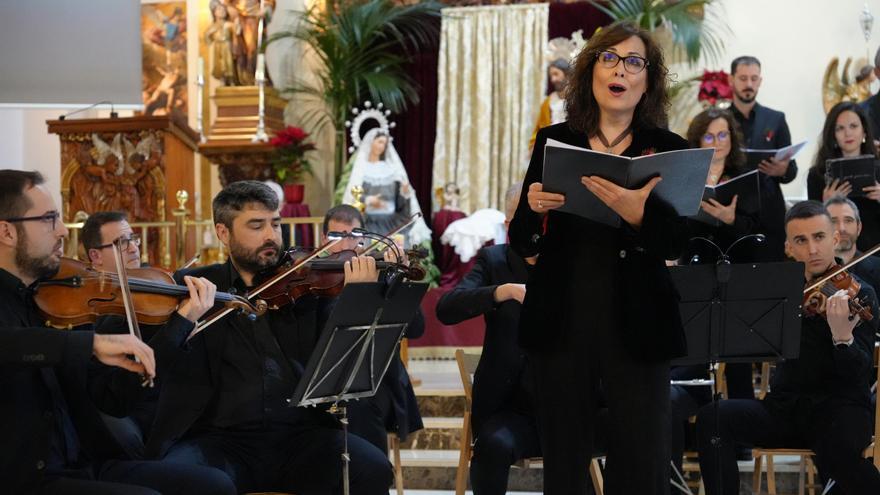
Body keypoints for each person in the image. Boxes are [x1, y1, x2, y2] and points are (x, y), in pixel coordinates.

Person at [509, 23, 690, 494]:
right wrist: (531, 210)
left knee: (641, 459)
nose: (621, 70)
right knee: (565, 462)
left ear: (647, 81)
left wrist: (639, 215)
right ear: (589, 71)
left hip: (640, 324)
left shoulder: (668, 148)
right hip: (563, 322)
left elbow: (676, 244)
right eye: (609, 58)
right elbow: (523, 243)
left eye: (634, 62)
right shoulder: (555, 139)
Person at [0, 170, 235, 495]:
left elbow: (113, 400)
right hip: (26, 478)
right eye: (49, 219)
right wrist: (91, 342)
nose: (61, 232)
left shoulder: (51, 301)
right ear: (7, 231)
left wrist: (179, 325)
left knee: (215, 485)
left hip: (85, 465)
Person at [152, 181, 393, 494]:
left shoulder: (308, 285)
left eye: (275, 224)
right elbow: (155, 364)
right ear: (223, 233)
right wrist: (184, 319)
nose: (271, 235)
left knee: (372, 469)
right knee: (185, 481)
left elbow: (342, 358)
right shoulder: (196, 287)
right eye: (256, 225)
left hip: (299, 438)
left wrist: (359, 300)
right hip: (219, 441)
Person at [696, 200, 880, 495]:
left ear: (834, 237)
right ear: (788, 247)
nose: (812, 250)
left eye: (819, 237)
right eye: (801, 240)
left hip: (839, 408)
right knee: (713, 418)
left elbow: (858, 376)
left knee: (841, 451)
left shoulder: (860, 293)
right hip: (786, 408)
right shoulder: (781, 292)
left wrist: (842, 338)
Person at [436, 182, 542, 495]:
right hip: (509, 410)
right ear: (508, 225)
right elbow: (446, 308)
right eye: (522, 219)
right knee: (493, 447)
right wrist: (502, 291)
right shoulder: (494, 260)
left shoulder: (569, 265)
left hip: (564, 404)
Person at [319, 204, 425, 455]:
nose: (347, 245)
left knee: (360, 405)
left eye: (354, 236)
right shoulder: (315, 281)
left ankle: (373, 477)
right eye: (337, 236)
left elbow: (417, 328)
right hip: (326, 383)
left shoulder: (383, 274)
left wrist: (400, 278)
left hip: (377, 382)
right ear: (323, 239)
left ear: (365, 238)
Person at [729, 56, 798, 261]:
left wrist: (782, 170)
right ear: (731, 80)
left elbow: (792, 168)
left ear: (760, 81)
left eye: (753, 78)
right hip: (734, 209)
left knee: (772, 275)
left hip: (770, 211)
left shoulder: (776, 119)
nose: (748, 84)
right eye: (743, 78)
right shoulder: (720, 120)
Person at [807, 101, 880, 251]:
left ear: (864, 131)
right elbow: (812, 228)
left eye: (853, 126)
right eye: (840, 128)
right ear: (833, 135)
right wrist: (824, 205)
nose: (848, 133)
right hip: (836, 253)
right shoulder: (817, 175)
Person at [341, 128, 432, 248]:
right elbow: (353, 196)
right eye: (379, 142)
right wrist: (369, 200)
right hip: (369, 222)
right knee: (369, 251)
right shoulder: (361, 169)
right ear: (371, 142)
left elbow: (400, 203)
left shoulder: (390, 169)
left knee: (396, 251)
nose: (382, 146)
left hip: (392, 223)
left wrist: (404, 193)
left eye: (384, 143)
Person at [825, 195, 880, 292]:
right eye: (833, 221)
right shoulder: (810, 272)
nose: (842, 228)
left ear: (859, 228)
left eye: (848, 220)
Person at [530, 57, 571, 150]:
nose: (553, 79)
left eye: (556, 74)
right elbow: (539, 129)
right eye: (551, 76)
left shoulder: (578, 100)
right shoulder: (548, 102)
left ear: (567, 74)